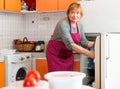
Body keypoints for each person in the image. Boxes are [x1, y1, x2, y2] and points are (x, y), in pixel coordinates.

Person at [46, 2, 95, 72]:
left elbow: (84, 42)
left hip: (67, 55)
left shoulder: (79, 24)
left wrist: (96, 44)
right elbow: (70, 45)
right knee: (57, 77)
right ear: (68, 13)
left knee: (68, 77)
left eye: (77, 13)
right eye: (72, 12)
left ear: (81, 15)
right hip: (55, 55)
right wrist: (90, 54)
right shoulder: (63, 23)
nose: (75, 15)